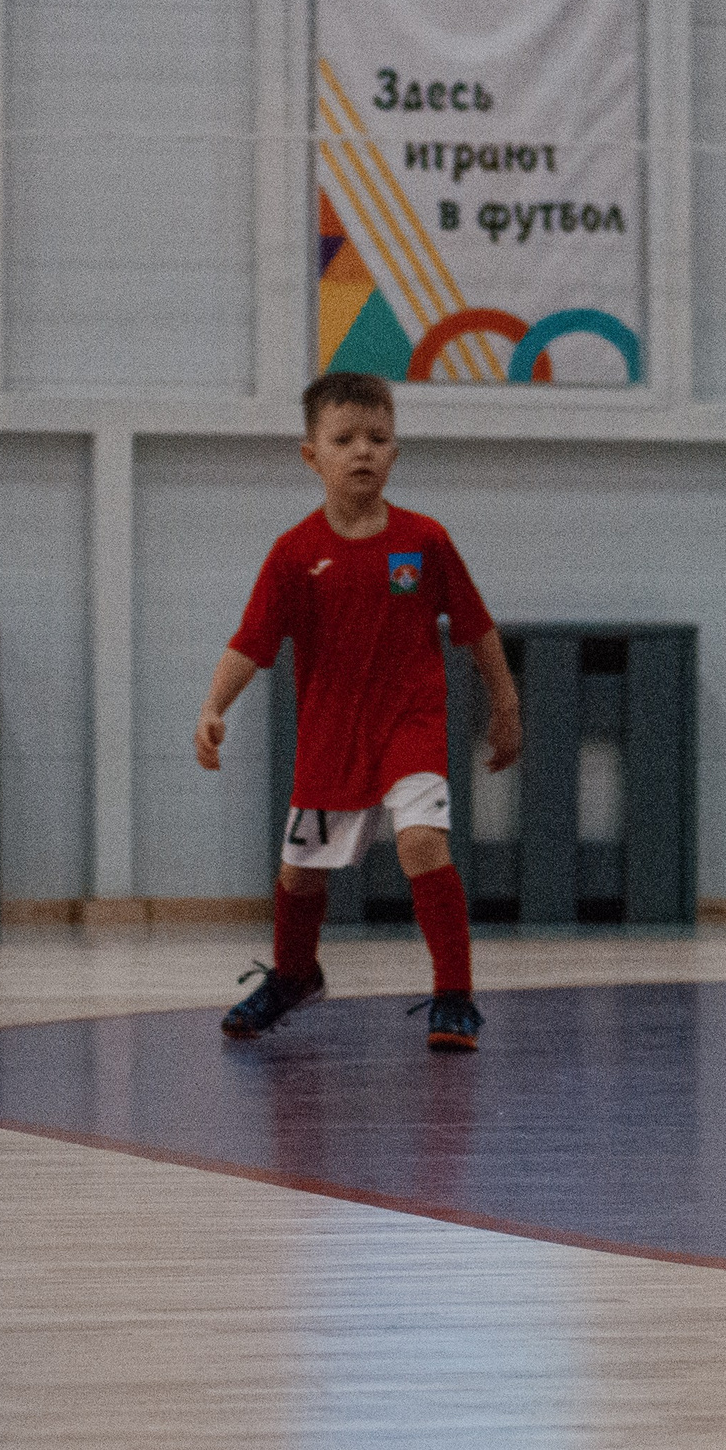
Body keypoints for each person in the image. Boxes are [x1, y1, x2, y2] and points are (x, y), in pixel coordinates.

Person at [197, 370, 522, 1051]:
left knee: (422, 842)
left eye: (377, 437)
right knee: (299, 873)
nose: (363, 450)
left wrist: (504, 701)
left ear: (395, 452)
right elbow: (251, 642)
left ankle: (455, 995)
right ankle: (294, 976)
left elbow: (475, 627)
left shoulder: (424, 540)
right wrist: (214, 705)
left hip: (410, 724)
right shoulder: (294, 553)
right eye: (344, 439)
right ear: (311, 455)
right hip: (331, 736)